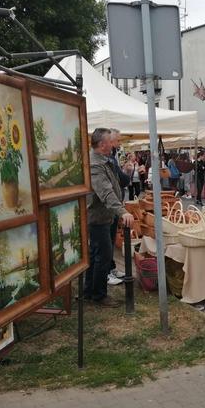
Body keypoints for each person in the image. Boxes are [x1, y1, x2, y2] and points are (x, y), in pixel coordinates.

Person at [86, 128, 135, 307]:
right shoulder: (95, 164)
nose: (114, 144)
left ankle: (88, 292)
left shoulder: (103, 160)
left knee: (95, 256)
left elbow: (116, 183)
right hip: (97, 218)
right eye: (110, 141)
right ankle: (99, 295)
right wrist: (123, 212)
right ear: (102, 144)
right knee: (104, 256)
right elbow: (106, 193)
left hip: (102, 217)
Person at [107, 129, 132, 285]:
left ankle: (111, 268)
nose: (119, 143)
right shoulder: (107, 159)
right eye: (118, 140)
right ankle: (107, 271)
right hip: (109, 207)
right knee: (105, 241)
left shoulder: (113, 156)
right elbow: (121, 179)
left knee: (109, 239)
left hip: (115, 204)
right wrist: (127, 174)